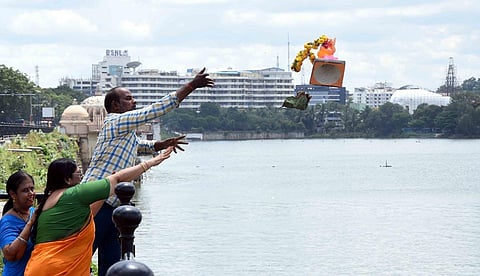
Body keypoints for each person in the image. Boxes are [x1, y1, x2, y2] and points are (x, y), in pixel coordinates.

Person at [82, 67, 214, 276]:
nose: (133, 101)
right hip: (97, 202)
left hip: (112, 204)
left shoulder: (125, 133)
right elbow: (153, 111)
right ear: (115, 105)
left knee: (111, 263)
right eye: (128, 98)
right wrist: (190, 86)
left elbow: (139, 145)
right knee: (81, 258)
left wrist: (162, 144)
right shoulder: (116, 121)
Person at [24, 147, 174, 276]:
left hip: (37, 268)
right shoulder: (76, 193)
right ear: (67, 180)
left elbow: (88, 213)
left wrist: (105, 191)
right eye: (78, 174)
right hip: (61, 269)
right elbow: (118, 178)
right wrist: (152, 162)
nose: (81, 176)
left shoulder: (48, 203)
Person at [0, 171, 36, 276]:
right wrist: (31, 223)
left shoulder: (33, 212)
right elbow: (10, 254)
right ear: (13, 194)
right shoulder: (8, 221)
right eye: (25, 190)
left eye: (32, 189)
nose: (31, 193)